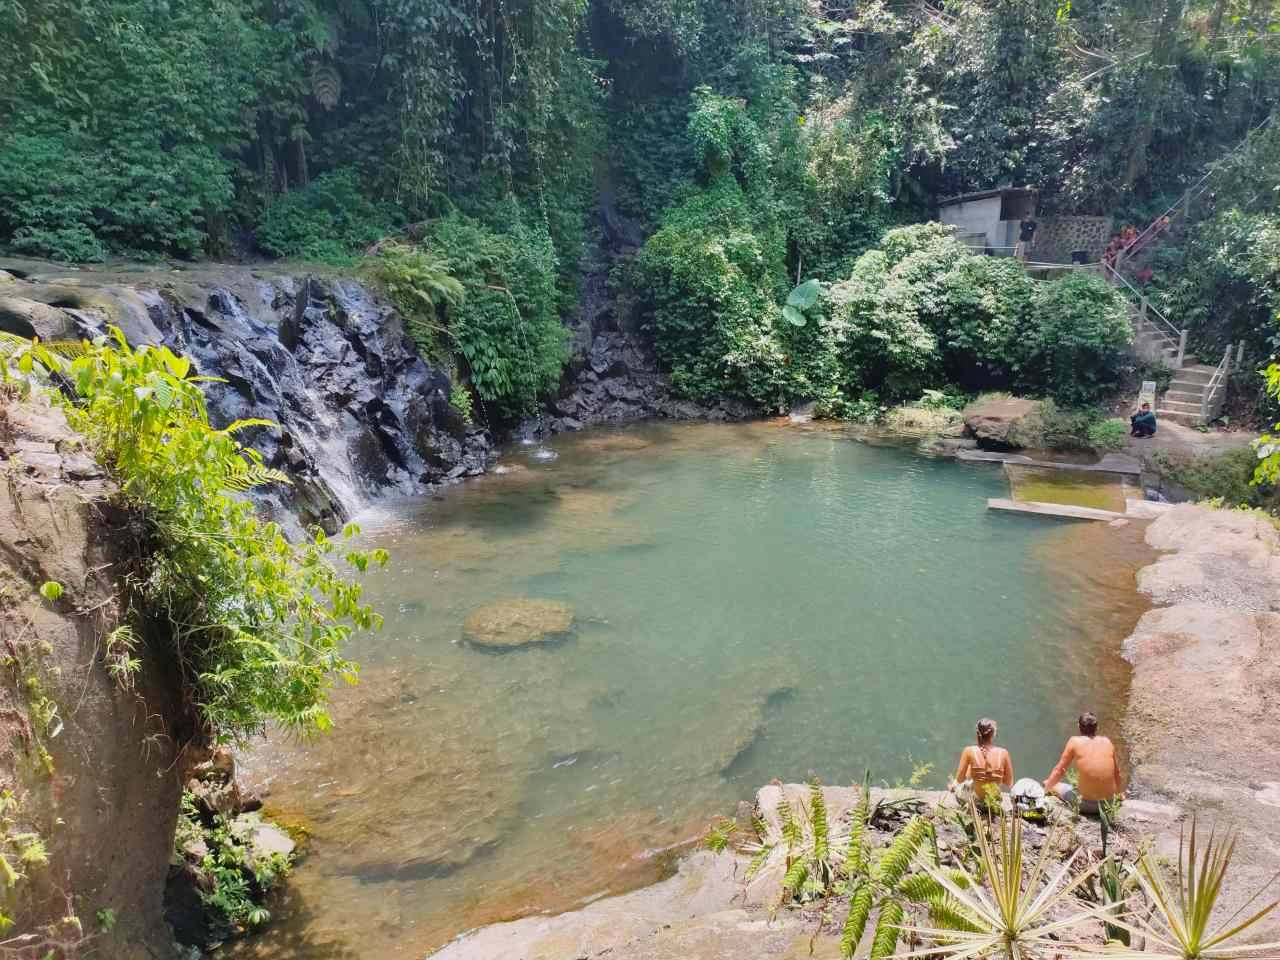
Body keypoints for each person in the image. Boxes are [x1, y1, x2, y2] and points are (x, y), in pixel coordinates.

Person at [1043, 712, 1122, 815]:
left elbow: (1059, 771)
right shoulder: (1107, 741)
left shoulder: (1074, 741)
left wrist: (1045, 790)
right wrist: (1120, 795)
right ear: (1097, 727)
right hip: (1108, 803)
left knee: (1051, 784)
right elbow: (1117, 773)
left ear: (1079, 726)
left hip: (1085, 805)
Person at [949, 718, 1013, 808]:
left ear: (977, 734)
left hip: (975, 802)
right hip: (994, 802)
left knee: (960, 784)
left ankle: (953, 786)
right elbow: (1008, 782)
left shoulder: (969, 751)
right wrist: (993, 776)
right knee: (973, 769)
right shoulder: (1004, 753)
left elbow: (960, 779)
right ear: (993, 734)